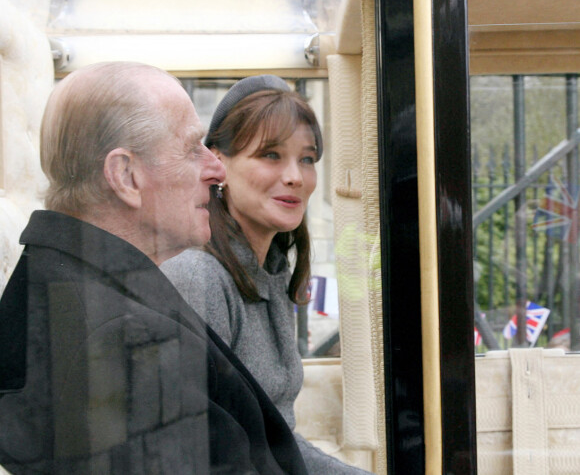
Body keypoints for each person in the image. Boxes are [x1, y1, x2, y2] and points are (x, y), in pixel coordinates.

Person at [0, 62, 308, 475]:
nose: (216, 171)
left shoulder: (55, 287)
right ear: (125, 175)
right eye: (190, 148)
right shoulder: (124, 340)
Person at [161, 75, 373, 475]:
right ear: (218, 164)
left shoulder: (270, 274)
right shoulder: (198, 276)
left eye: (307, 159)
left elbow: (276, 441)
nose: (295, 176)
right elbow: (197, 451)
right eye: (271, 155)